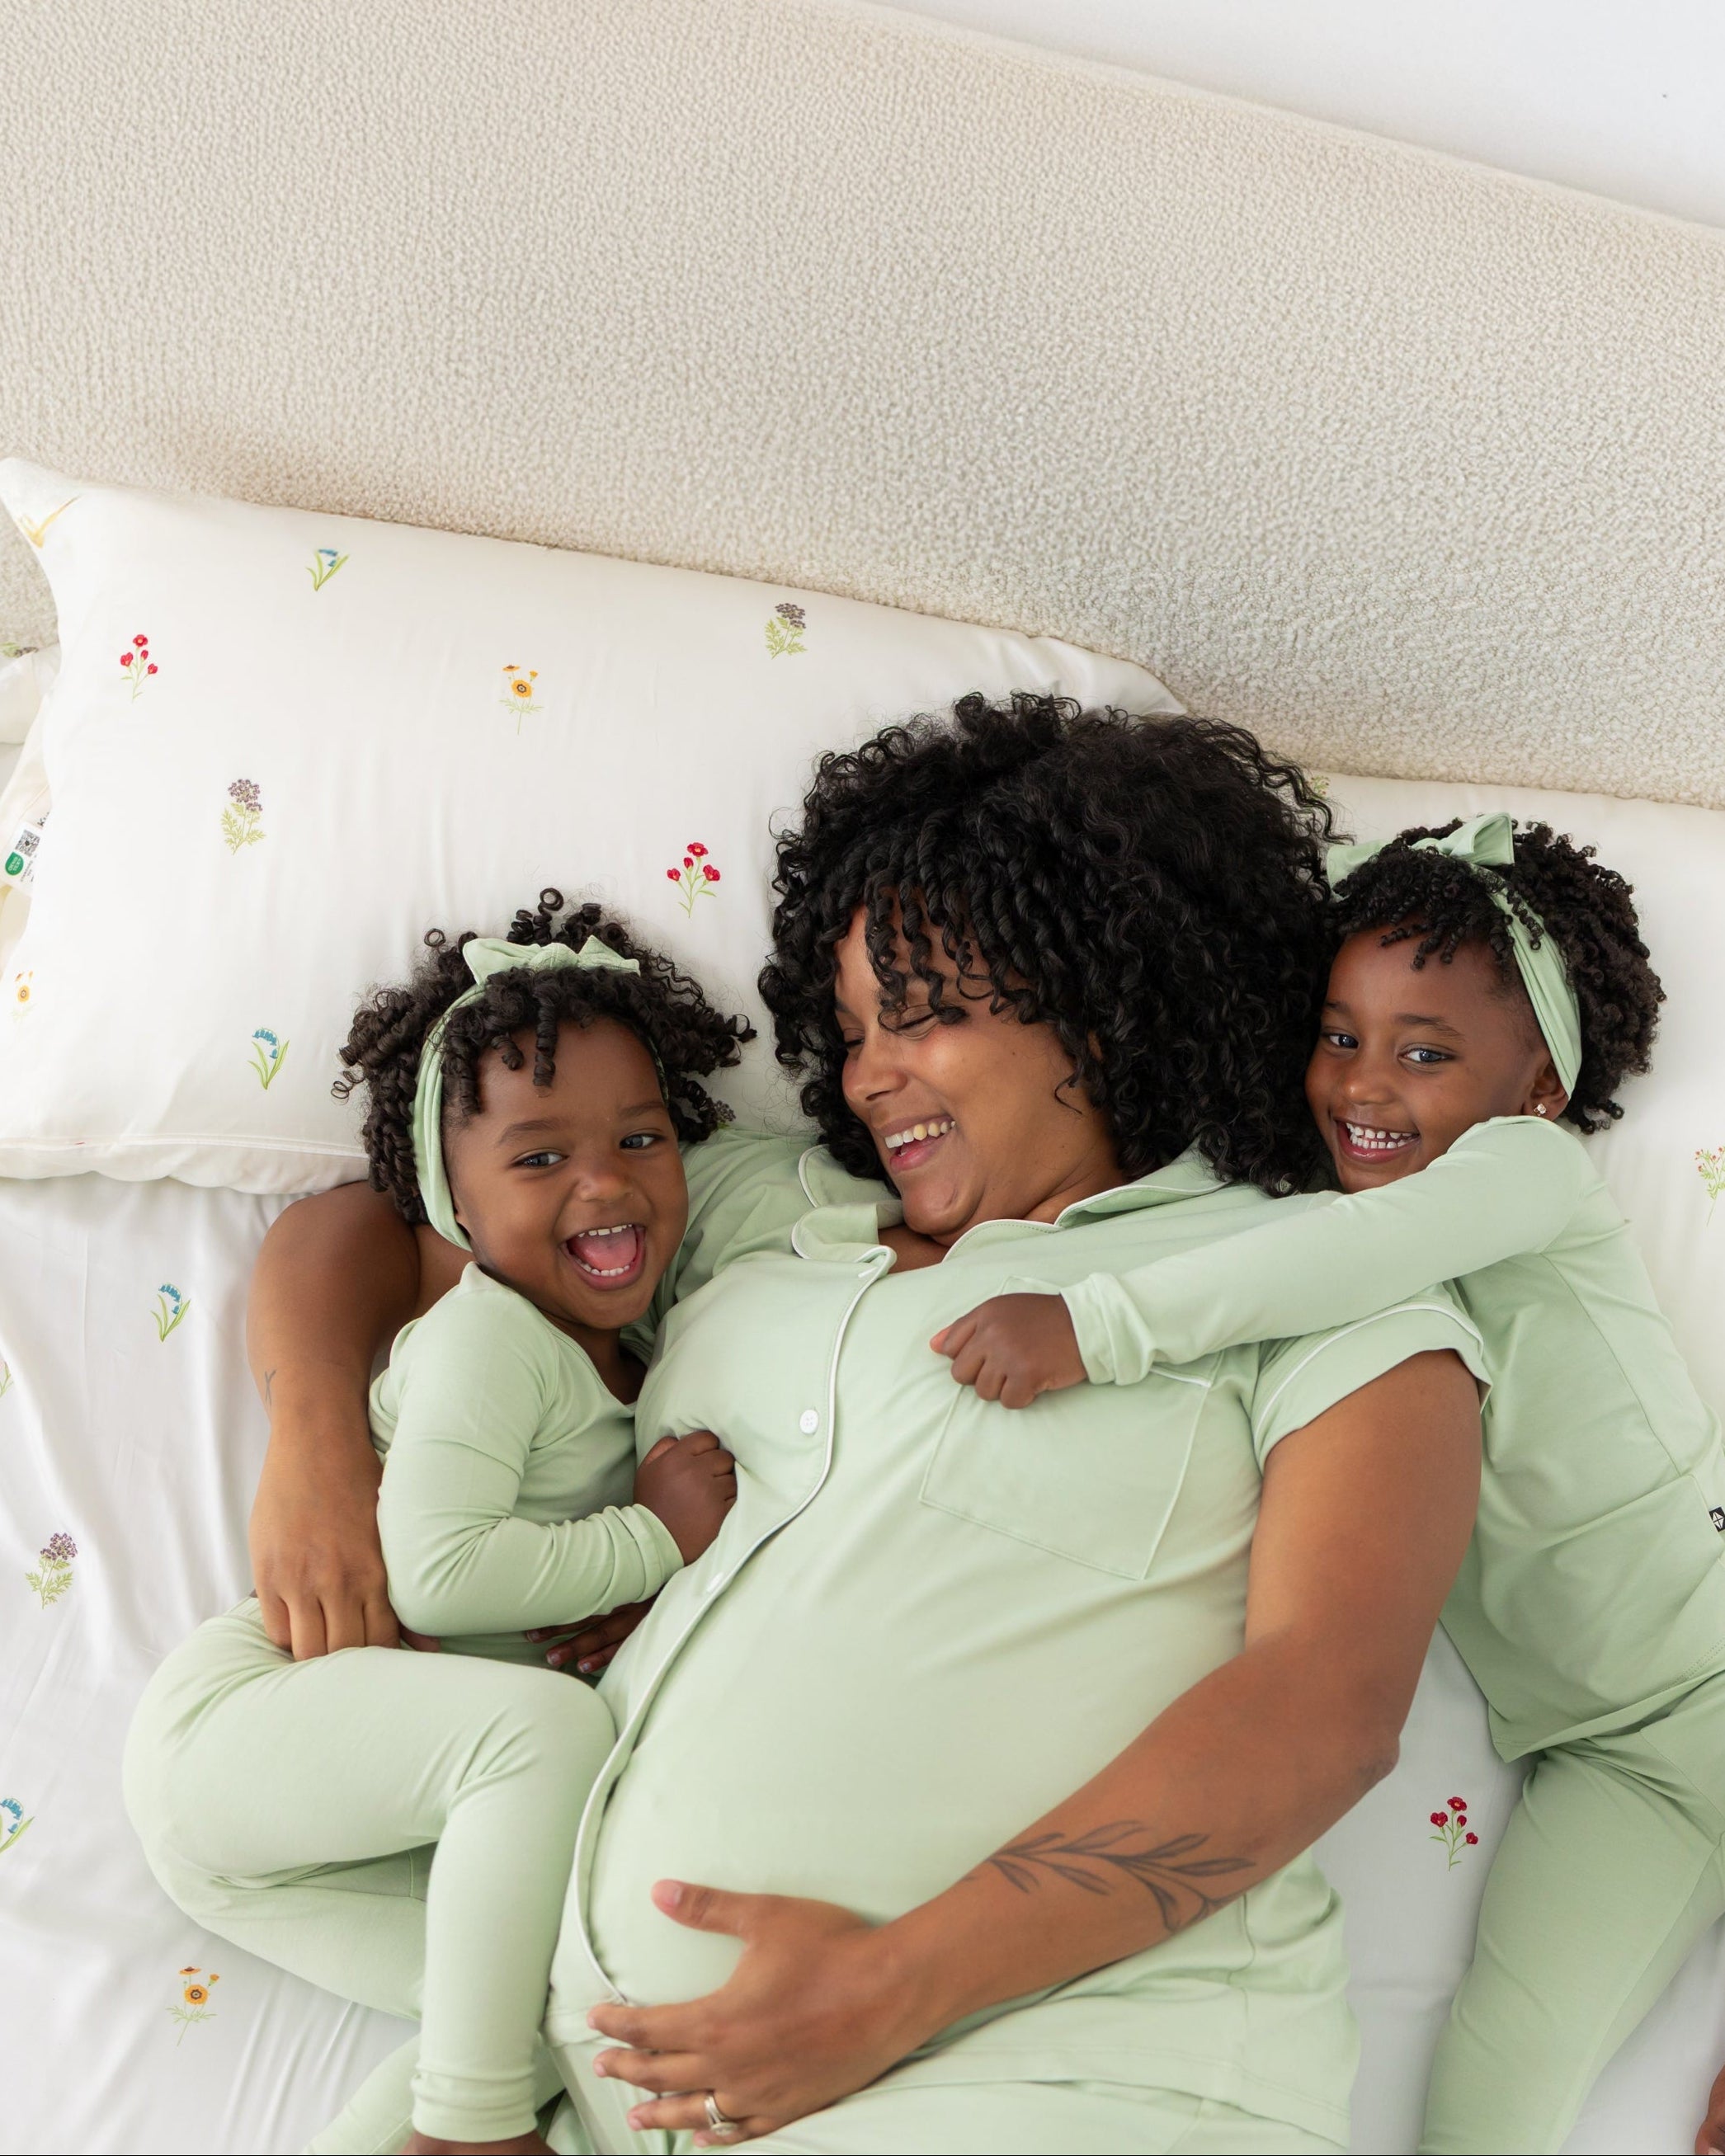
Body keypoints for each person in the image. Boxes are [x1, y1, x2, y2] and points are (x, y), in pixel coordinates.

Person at [253, 695, 1486, 2155]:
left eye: (924, 1014)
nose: (866, 1075)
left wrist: (891, 1988)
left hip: (1053, 2089)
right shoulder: (756, 1212)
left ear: (1104, 999)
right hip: (590, 2093)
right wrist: (317, 1450)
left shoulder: (1315, 1282)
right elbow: (377, 1223)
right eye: (849, 1031)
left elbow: (1324, 1708)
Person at [940, 813, 1725, 2156]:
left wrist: (1101, 1325)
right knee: (1488, 2100)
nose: (1363, 1082)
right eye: (1340, 1034)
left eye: (1426, 1052)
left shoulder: (1524, 1172)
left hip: (1701, 1688)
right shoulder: (1345, 1209)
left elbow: (1331, 1262)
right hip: (1607, 1754)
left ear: (1540, 1085)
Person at [124, 901, 769, 2156]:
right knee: (548, 1737)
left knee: (530, 2014)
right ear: (450, 1207)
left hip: (364, 1820)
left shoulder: (632, 1360)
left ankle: (454, 2125)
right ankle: (476, 2135)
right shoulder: (489, 1333)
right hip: (247, 1720)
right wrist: (651, 1539)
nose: (604, 1179)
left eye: (641, 1137)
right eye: (539, 1158)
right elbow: (437, 1574)